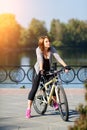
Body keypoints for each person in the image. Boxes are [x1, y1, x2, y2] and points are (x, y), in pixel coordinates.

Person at [26, 36, 68, 118]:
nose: (49, 43)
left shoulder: (51, 48)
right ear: (42, 43)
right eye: (46, 41)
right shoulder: (38, 49)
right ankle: (28, 109)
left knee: (53, 84)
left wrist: (65, 66)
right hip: (39, 70)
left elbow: (58, 57)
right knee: (34, 89)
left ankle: (55, 102)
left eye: (49, 41)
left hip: (48, 69)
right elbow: (40, 59)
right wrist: (41, 69)